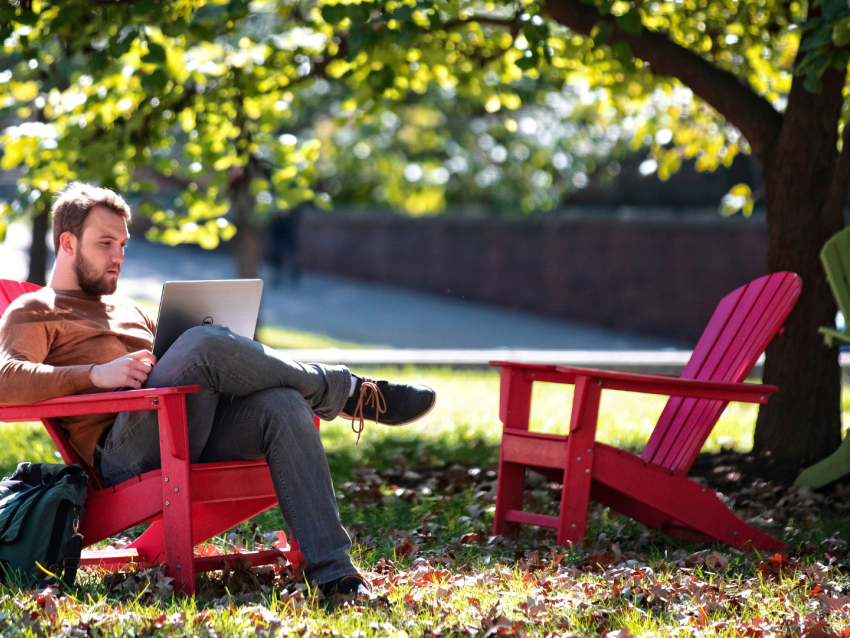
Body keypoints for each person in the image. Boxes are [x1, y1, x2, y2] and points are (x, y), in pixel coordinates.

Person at [0, 182, 436, 596]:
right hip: (121, 454)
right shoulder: (34, 309)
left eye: (124, 244)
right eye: (105, 243)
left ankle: (335, 574)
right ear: (68, 243)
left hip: (186, 426)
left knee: (283, 404)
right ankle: (345, 392)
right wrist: (95, 374)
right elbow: (5, 380)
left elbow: (177, 365)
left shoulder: (127, 307)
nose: (119, 257)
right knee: (202, 342)